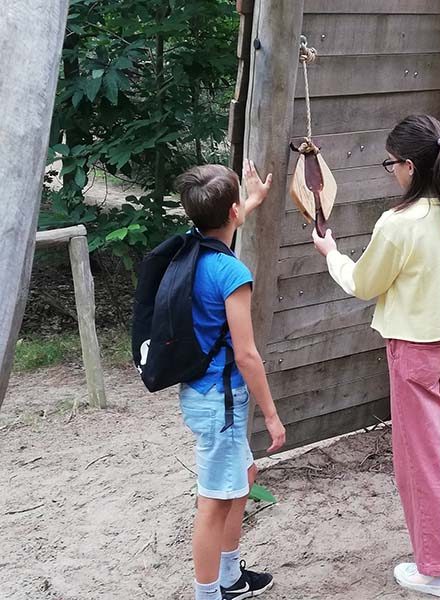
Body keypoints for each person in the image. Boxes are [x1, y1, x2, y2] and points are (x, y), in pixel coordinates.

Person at [312, 115, 440, 598]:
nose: (389, 170)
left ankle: (437, 568)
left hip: (414, 347)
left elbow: (364, 284)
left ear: (410, 166)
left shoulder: (398, 224)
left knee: (423, 457)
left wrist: (331, 253)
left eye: (391, 163)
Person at [175, 160, 286, 600]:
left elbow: (218, 232)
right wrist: (273, 417)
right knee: (214, 502)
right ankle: (208, 594)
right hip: (220, 399)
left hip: (201, 393)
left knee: (243, 473)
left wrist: (251, 203)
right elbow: (246, 353)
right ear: (233, 212)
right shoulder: (232, 274)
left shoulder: (191, 248)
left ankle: (229, 578)